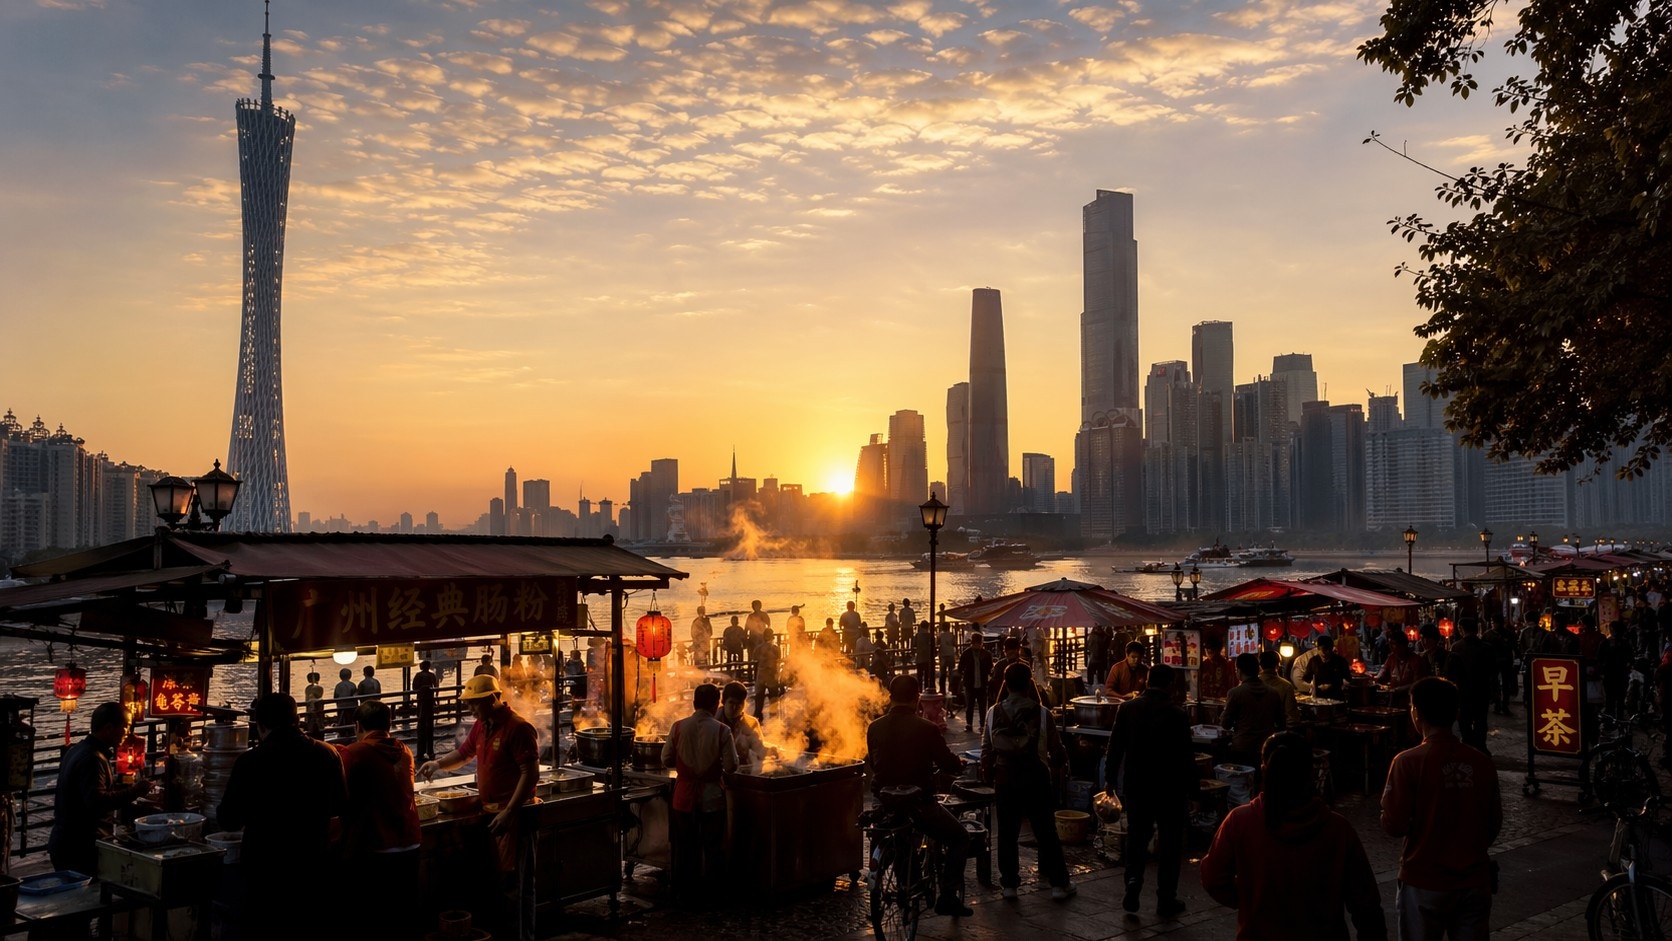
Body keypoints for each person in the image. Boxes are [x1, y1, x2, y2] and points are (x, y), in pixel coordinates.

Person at [1200, 731, 1387, 940]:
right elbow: (1367, 906)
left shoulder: (1240, 822)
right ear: (1310, 772)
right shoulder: (1338, 829)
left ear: (1264, 770)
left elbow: (1213, 878)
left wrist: (1250, 896)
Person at [218, 693, 346, 941]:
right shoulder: (327, 753)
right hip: (314, 860)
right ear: (297, 718)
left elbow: (229, 820)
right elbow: (340, 806)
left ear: (260, 725)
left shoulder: (249, 761)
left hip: (265, 868)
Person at [1382, 676, 1502, 939]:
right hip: (1474, 880)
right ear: (1456, 713)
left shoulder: (1407, 762)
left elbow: (1394, 824)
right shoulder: (1481, 763)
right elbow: (1494, 825)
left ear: (1416, 713)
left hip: (1424, 880)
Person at [418, 674, 539, 910]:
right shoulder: (481, 726)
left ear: (493, 698)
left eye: (475, 702)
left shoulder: (518, 727)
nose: (470, 708)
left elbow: (530, 773)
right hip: (491, 815)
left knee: (517, 886)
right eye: (468, 703)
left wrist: (510, 812)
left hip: (515, 817)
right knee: (499, 884)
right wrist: (438, 764)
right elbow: (464, 754)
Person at [868, 675, 972, 917]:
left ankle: (908, 881)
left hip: (884, 802)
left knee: (900, 835)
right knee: (960, 838)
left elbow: (874, 763)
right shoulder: (927, 728)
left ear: (890, 698)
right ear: (916, 699)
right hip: (919, 803)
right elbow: (946, 762)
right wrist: (959, 764)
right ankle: (947, 897)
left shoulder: (874, 727)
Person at [981, 663, 1075, 902]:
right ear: (1029, 683)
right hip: (1036, 777)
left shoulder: (993, 712)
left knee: (1007, 833)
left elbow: (986, 750)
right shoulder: (1042, 713)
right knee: (1046, 832)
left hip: (1005, 779)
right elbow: (1057, 750)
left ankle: (1009, 885)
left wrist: (988, 777)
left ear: (1006, 683)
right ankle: (1058, 884)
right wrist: (1057, 766)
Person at [1105, 663, 1193, 917]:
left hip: (1137, 785)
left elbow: (1115, 747)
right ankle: (1166, 898)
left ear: (1146, 682)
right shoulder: (1177, 715)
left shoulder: (1128, 708)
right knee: (1170, 843)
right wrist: (1194, 791)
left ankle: (1133, 882)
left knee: (1137, 837)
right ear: (1170, 686)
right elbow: (1186, 756)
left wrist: (1110, 780)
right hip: (1170, 788)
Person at [335, 699, 422, 938]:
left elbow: (338, 798)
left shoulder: (352, 753)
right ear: (390, 724)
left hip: (374, 846)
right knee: (403, 917)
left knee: (372, 920)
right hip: (411, 843)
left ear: (358, 725)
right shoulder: (405, 751)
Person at [48, 702, 149, 874]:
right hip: (80, 846)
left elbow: (87, 790)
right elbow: (97, 801)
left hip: (65, 840)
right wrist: (136, 791)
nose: (127, 733)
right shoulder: (92, 758)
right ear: (109, 728)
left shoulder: (77, 750)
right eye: (125, 727)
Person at [662, 683, 736, 905]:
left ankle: (683, 893)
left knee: (684, 846)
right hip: (712, 797)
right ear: (716, 705)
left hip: (683, 797)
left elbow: (665, 759)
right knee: (712, 847)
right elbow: (732, 765)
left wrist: (685, 767)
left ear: (694, 704)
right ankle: (712, 895)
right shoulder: (723, 730)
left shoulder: (678, 727)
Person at [1222, 653, 1285, 766]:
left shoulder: (1235, 693)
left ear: (1239, 671)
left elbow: (1225, 724)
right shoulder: (1273, 693)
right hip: (1266, 746)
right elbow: (1281, 723)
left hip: (1242, 747)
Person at [1445, 618, 1497, 753]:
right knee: (1481, 719)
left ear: (1461, 629)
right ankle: (1480, 746)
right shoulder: (1487, 648)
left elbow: (1451, 671)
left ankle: (1469, 745)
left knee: (1464, 720)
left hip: (1463, 690)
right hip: (1482, 690)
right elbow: (1493, 671)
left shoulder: (1456, 647)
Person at [719, 681, 767, 769]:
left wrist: (768, 753)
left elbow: (759, 750)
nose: (735, 708)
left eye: (739, 704)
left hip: (743, 770)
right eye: (731, 703)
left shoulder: (751, 723)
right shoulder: (714, 722)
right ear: (723, 702)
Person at [960, 633, 995, 731]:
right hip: (970, 683)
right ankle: (969, 724)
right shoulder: (966, 654)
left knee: (982, 706)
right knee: (970, 705)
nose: (978, 646)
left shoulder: (986, 654)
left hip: (982, 683)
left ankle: (982, 725)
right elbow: (960, 668)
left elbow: (990, 668)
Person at [1259, 650, 1301, 726]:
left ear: (1261, 666)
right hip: (1277, 732)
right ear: (1278, 665)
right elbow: (1292, 716)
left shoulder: (1250, 684)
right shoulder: (1286, 686)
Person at [1302, 636, 1351, 700]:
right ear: (1318, 649)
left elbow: (1348, 679)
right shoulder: (1313, 661)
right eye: (1322, 650)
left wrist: (1332, 685)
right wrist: (1313, 684)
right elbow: (1306, 677)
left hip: (1336, 696)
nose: (1324, 653)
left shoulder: (1340, 661)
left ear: (1331, 649)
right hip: (1318, 696)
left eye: (1327, 650)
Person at [987, 636, 1027, 706]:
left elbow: (994, 686)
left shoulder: (999, 665)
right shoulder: (1025, 665)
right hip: (1023, 703)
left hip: (1002, 703)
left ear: (1005, 650)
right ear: (1018, 650)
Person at [412, 660, 439, 760]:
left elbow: (415, 688)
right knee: (430, 727)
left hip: (422, 702)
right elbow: (436, 687)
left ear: (421, 666)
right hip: (430, 702)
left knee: (421, 728)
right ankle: (430, 751)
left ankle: (420, 752)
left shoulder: (418, 675)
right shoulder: (432, 676)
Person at [753, 628, 781, 720]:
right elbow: (778, 660)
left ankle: (758, 717)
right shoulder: (776, 648)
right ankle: (773, 718)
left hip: (761, 675)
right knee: (773, 698)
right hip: (772, 675)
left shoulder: (758, 648)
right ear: (772, 637)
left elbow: (755, 659)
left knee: (759, 697)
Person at [333, 667, 359, 733]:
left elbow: (335, 696)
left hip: (341, 706)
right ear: (350, 676)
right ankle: (352, 731)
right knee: (352, 720)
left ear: (340, 676)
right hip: (352, 706)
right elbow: (355, 695)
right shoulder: (352, 685)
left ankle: (342, 731)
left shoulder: (338, 686)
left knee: (341, 721)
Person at [937, 621, 959, 698]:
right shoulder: (952, 635)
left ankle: (942, 689)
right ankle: (951, 687)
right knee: (951, 672)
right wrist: (957, 653)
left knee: (942, 673)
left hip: (943, 655)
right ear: (949, 627)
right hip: (950, 654)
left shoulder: (940, 635)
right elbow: (955, 644)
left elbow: (937, 643)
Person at [914, 619, 937, 690]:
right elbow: (934, 646)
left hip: (919, 658)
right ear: (928, 627)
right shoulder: (930, 635)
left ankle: (919, 690)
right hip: (928, 658)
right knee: (927, 676)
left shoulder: (917, 635)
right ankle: (926, 689)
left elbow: (914, 645)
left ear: (920, 627)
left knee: (919, 676)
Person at [303, 671, 326, 737]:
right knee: (319, 724)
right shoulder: (319, 688)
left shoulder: (308, 688)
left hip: (310, 709)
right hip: (317, 709)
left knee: (310, 725)